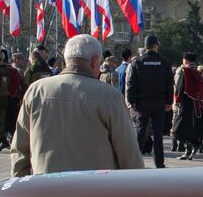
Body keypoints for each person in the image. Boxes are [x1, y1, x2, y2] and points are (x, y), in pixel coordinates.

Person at [11, 34, 145, 177]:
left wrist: (22, 186)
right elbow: (128, 152)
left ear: (66, 59)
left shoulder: (36, 91)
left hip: (45, 189)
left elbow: (19, 149)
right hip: (94, 191)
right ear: (94, 61)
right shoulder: (109, 95)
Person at [126, 35, 173, 169]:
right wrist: (169, 101)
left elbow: (131, 83)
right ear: (156, 46)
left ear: (145, 46)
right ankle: (159, 162)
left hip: (142, 102)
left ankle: (134, 162)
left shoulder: (137, 62)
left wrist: (131, 101)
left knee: (140, 132)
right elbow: (169, 83)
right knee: (158, 133)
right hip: (159, 102)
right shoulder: (164, 62)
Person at [172, 52, 203, 160]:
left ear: (186, 60)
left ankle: (194, 144)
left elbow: (180, 88)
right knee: (191, 127)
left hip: (185, 103)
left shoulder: (185, 71)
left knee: (179, 128)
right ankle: (188, 150)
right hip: (196, 105)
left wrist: (177, 100)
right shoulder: (198, 72)